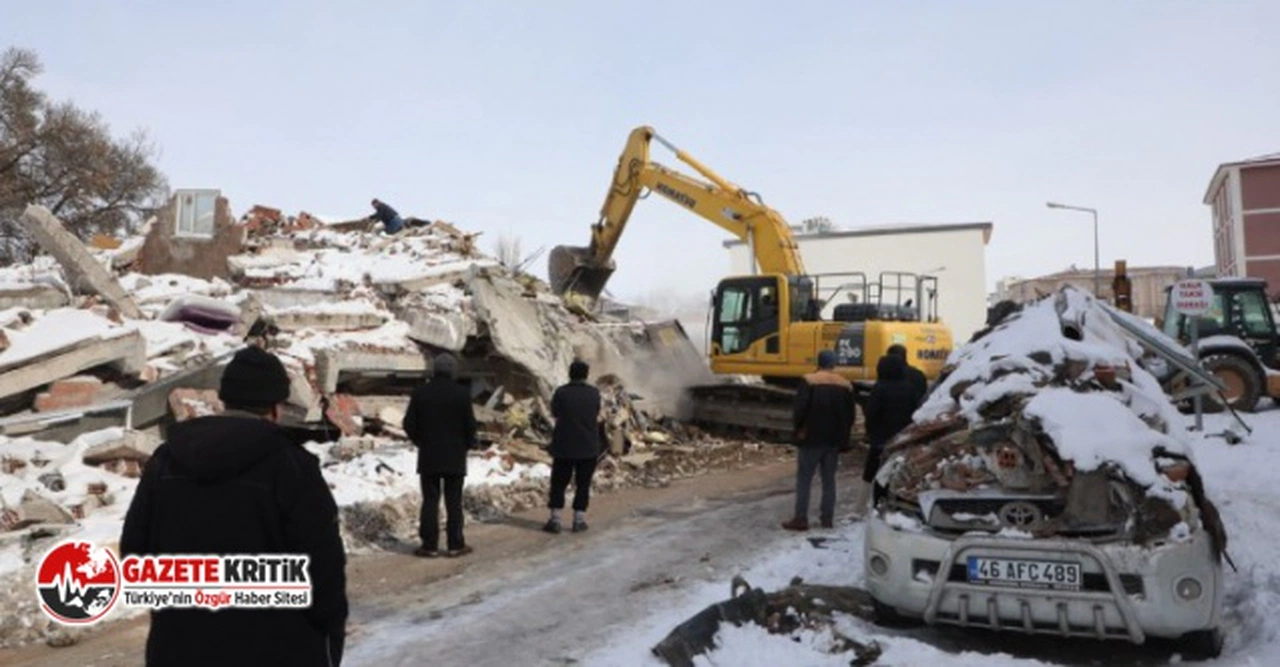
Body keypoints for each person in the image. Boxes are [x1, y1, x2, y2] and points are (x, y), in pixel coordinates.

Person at [120, 347, 348, 666]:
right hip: (277, 650)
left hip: (181, 649)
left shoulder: (167, 460)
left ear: (224, 400)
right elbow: (323, 571)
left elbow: (135, 553)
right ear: (276, 407)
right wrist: (329, 637)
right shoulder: (292, 467)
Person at [403, 352, 478, 558]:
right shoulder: (462, 394)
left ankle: (429, 545)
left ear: (434, 371)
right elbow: (470, 426)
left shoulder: (420, 393)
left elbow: (408, 424)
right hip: (455, 456)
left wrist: (421, 442)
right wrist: (465, 445)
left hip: (429, 456)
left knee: (430, 500)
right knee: (454, 502)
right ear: (452, 371)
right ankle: (456, 544)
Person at [782, 350, 856, 531]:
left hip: (811, 438)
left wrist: (798, 429)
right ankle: (827, 519)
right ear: (834, 364)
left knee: (804, 479)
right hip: (833, 440)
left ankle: (801, 518)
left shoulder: (809, 381)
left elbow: (800, 409)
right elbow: (850, 415)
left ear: (818, 362)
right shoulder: (845, 384)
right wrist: (843, 437)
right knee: (829, 480)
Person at [856, 354, 924, 514]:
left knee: (872, 473)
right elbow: (916, 413)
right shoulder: (910, 389)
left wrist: (870, 433)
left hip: (880, 439)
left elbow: (871, 413)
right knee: (896, 472)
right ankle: (895, 506)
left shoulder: (880, 388)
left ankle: (867, 506)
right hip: (902, 440)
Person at [543, 359, 603, 534]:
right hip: (588, 447)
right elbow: (596, 412)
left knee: (559, 483)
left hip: (564, 446)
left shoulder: (561, 393)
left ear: (570, 374)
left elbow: (555, 413)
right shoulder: (593, 393)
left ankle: (555, 520)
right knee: (583, 484)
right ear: (586, 375)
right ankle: (579, 520)